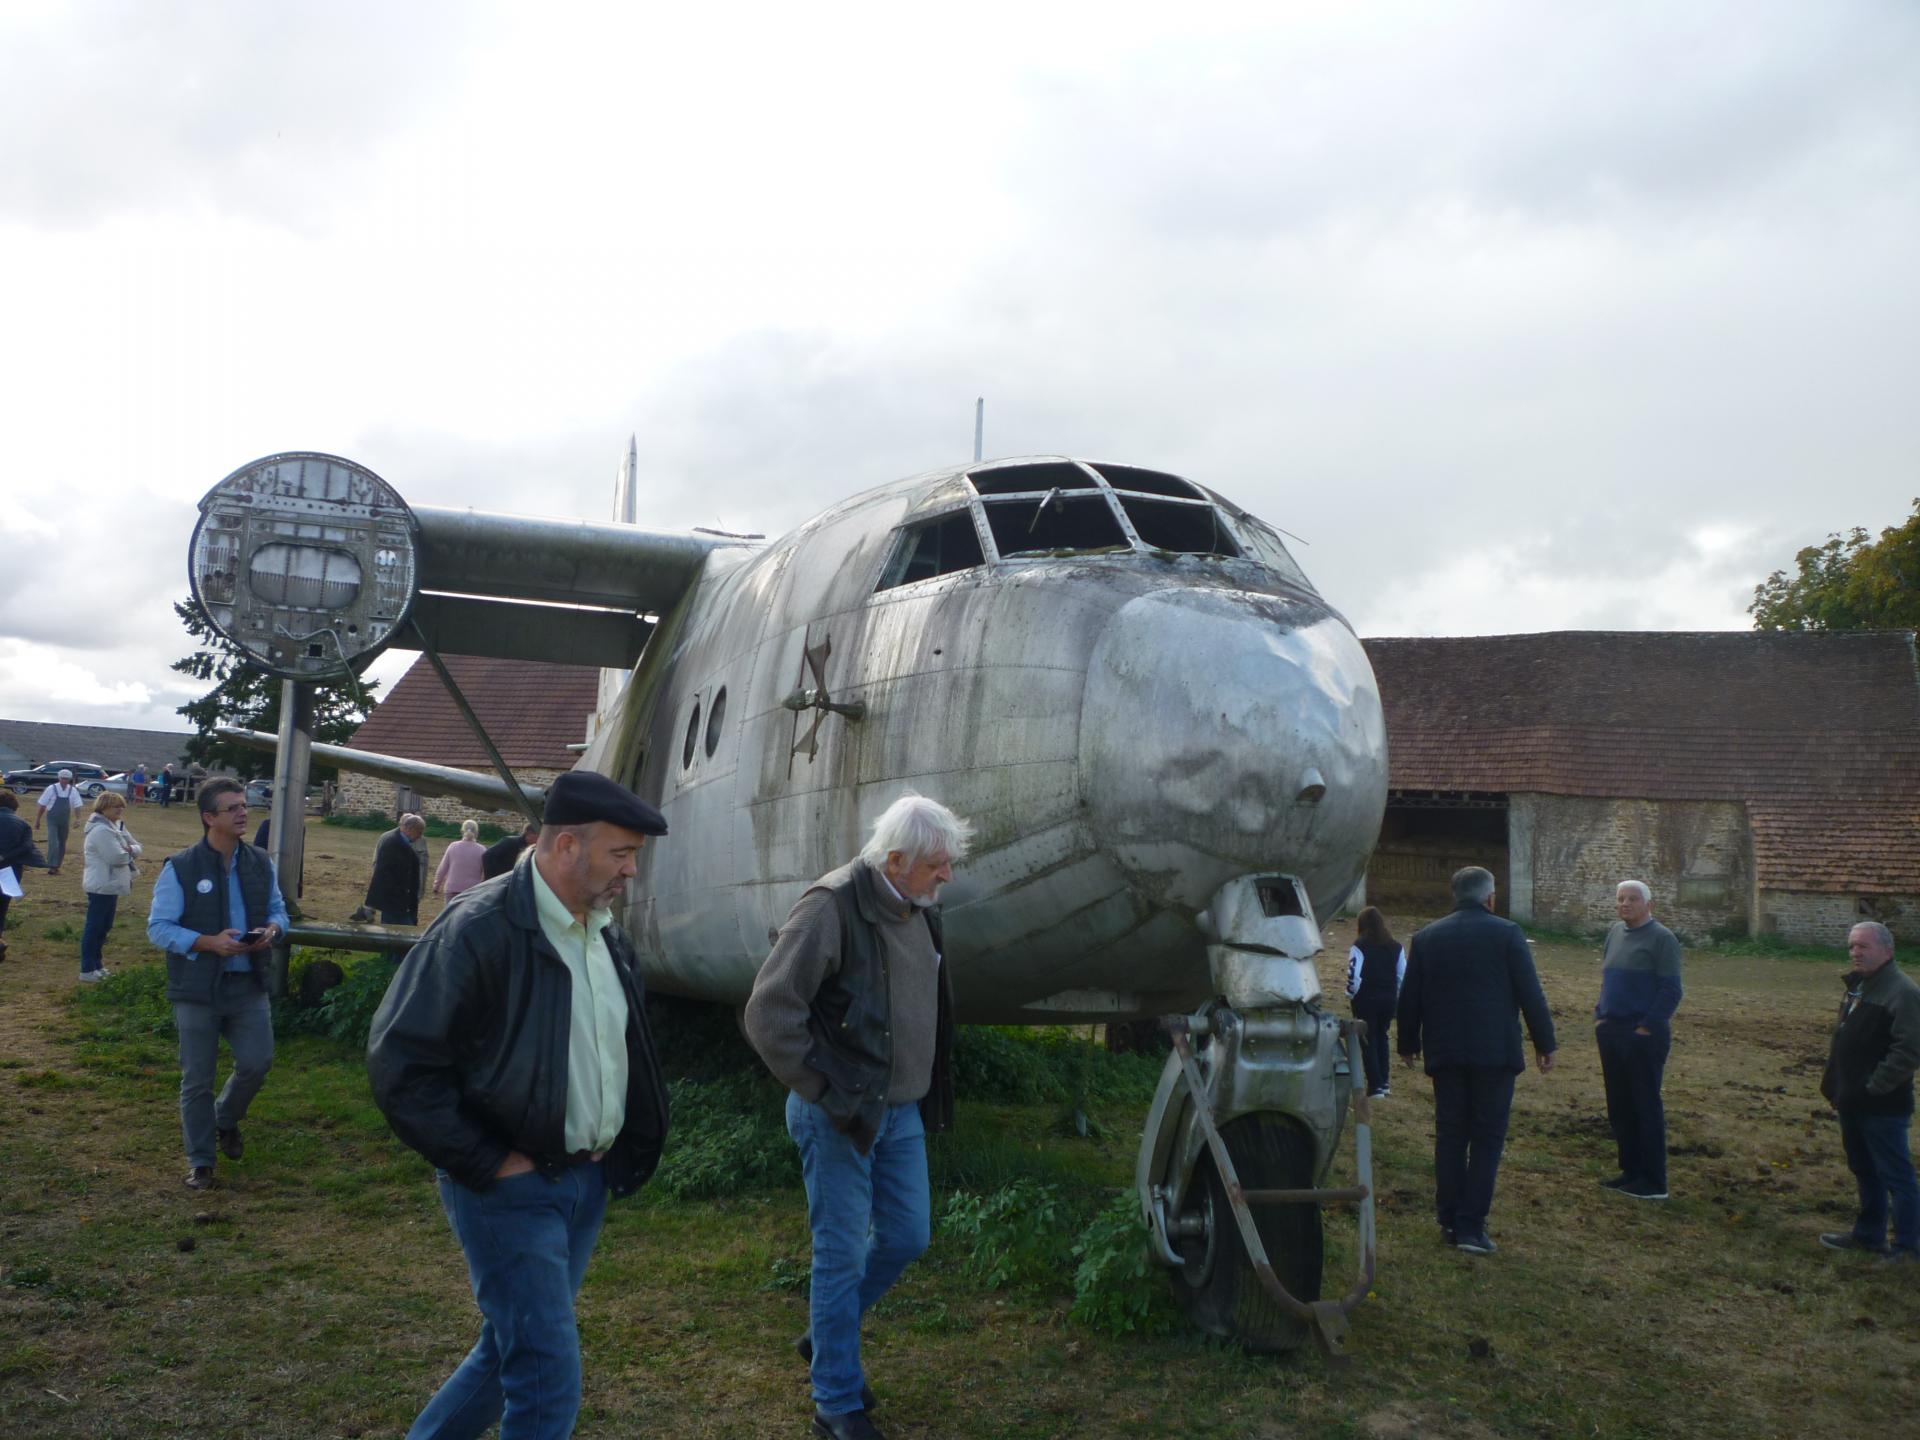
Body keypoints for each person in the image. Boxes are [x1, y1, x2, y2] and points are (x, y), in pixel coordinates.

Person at [366, 770, 670, 1440]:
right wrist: (491, 1161)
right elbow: (401, 1065)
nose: (631, 872)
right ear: (566, 846)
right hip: (512, 1187)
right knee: (545, 1377)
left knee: (509, 1352)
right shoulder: (479, 927)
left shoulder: (605, 931)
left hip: (585, 1181)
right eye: (620, 855)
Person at [744, 793, 970, 1440]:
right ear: (895, 860)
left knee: (908, 1236)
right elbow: (769, 1012)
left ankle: (826, 1334)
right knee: (839, 1256)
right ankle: (835, 1402)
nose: (946, 876)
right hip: (837, 1114)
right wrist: (823, 1087)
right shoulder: (832, 906)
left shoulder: (919, 908)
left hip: (900, 1115)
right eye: (936, 864)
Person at [1396, 865, 1557, 1256]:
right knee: (1486, 1139)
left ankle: (1448, 1216)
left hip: (1446, 1051)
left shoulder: (1426, 937)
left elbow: (1410, 997)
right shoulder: (1507, 934)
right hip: (1494, 1053)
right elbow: (1528, 991)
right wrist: (1544, 1041)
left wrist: (1407, 1042)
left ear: (1455, 895)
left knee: (1450, 1134)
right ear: (1491, 897)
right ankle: (1471, 1225)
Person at [146, 777, 288, 1191]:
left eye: (244, 805)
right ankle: (201, 1161)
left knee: (258, 1062)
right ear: (209, 817)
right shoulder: (182, 866)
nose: (244, 812)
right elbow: (158, 928)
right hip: (198, 988)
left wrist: (272, 931)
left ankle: (225, 1119)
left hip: (248, 987)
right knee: (197, 1079)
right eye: (233, 808)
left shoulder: (261, 861)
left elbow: (279, 909)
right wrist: (208, 942)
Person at [1818, 921, 1920, 1265]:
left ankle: (1908, 1247)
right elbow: (1844, 1038)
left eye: (1863, 946)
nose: (1855, 953)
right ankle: (1869, 1235)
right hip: (1852, 1100)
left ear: (1887, 951)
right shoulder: (1859, 987)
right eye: (1851, 946)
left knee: (1896, 1175)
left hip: (1882, 1105)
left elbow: (1909, 1051)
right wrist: (1835, 1083)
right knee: (1864, 1168)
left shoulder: (1903, 992)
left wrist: (1874, 1087)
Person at [1594, 879, 1684, 1201]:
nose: (1625, 904)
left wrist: (1646, 1027)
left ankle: (1653, 1181)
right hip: (1611, 1032)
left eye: (1632, 899)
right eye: (1620, 898)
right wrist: (1600, 1015)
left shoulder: (1662, 939)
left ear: (1649, 904)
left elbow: (1671, 990)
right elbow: (1608, 979)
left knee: (1645, 1106)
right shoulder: (1615, 933)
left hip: (1642, 1037)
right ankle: (1630, 1172)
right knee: (1620, 1107)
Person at [79, 791, 142, 982]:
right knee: (95, 927)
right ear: (104, 808)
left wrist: (131, 849)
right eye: (116, 806)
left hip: (112, 884)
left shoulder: (116, 826)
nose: (120, 810)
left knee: (104, 927)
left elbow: (136, 846)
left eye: (122, 806)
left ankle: (97, 965)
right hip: (101, 884)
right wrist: (130, 851)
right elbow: (116, 857)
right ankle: (87, 969)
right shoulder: (101, 831)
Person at [1346, 906, 1405, 1100]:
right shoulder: (1396, 946)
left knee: (1368, 1040)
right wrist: (1394, 995)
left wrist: (1350, 993)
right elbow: (1402, 975)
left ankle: (1375, 1086)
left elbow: (1354, 975)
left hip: (1366, 999)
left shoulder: (1359, 945)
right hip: (1388, 1000)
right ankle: (1384, 1082)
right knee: (1382, 1036)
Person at [361, 814, 426, 924]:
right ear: (410, 829)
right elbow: (382, 874)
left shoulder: (404, 842)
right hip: (394, 902)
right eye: (419, 832)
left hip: (403, 902)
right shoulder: (391, 843)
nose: (420, 836)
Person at [0, 789, 39, 964]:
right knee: (2, 907)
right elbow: (27, 847)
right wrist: (5, 856)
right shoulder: (22, 823)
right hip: (10, 871)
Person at [35, 768, 82, 875]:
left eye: (66, 779)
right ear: (59, 778)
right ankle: (51, 865)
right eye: (62, 778)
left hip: (64, 820)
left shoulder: (73, 790)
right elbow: (42, 805)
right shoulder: (51, 789)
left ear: (70, 779)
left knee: (62, 843)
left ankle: (56, 866)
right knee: (53, 842)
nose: (64, 781)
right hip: (52, 819)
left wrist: (78, 819)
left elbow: (77, 805)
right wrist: (37, 820)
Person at [433, 819, 488, 902]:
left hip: (452, 889)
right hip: (472, 891)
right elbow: (486, 872)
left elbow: (442, 868)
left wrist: (436, 886)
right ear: (477, 832)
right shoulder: (482, 850)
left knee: (450, 914)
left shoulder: (453, 846)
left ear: (462, 831)